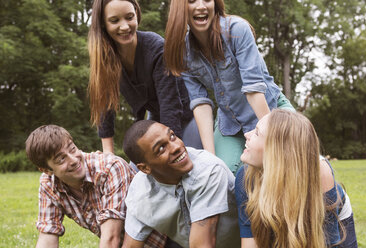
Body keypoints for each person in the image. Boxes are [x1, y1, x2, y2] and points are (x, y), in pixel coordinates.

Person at [163, 0, 294, 174]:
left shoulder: (237, 30)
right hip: (230, 124)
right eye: (192, 1)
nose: (201, 6)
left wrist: (270, 139)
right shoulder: (182, 51)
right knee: (223, 175)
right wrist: (211, 159)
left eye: (207, 0)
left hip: (270, 112)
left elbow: (253, 89)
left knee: (295, 161)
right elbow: (200, 103)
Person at [88, 0, 202, 155]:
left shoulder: (156, 48)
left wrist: (170, 149)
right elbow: (105, 107)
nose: (125, 26)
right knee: (139, 172)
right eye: (114, 20)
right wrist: (108, 154)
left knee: (181, 166)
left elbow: (171, 107)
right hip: (155, 120)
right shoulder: (105, 58)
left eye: (129, 17)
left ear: (136, 13)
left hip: (186, 117)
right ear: (103, 24)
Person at [25, 125, 166, 248]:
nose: (73, 160)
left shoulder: (110, 168)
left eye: (72, 149)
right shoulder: (49, 184)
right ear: (47, 170)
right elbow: (47, 236)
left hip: (168, 241)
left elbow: (111, 238)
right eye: (62, 159)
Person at [234, 109, 358, 247]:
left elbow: (326, 243)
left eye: (257, 133)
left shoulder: (321, 174)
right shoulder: (245, 178)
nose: (246, 134)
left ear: (277, 150)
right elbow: (250, 242)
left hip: (326, 228)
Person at [121, 120, 240, 248]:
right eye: (161, 148)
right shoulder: (139, 192)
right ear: (145, 169)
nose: (176, 146)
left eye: (172, 136)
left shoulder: (209, 170)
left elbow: (201, 245)